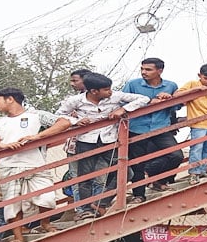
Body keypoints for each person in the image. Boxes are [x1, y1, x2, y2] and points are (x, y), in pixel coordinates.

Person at [56, 74, 150, 212]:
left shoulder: (115, 96)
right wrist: (75, 121)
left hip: (109, 139)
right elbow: (59, 114)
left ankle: (101, 201)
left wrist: (123, 109)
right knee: (85, 177)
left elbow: (144, 99)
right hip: (86, 140)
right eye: (106, 90)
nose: (110, 92)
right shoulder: (75, 100)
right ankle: (86, 210)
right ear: (94, 91)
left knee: (126, 172)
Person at [0, 88, 72, 241]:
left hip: (35, 164)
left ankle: (45, 222)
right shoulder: (0, 122)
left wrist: (38, 136)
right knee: (12, 204)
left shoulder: (36, 115)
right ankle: (18, 237)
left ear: (10, 99)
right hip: (9, 165)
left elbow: (64, 122)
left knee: (47, 196)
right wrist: (3, 146)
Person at [122, 58, 182, 198]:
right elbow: (122, 102)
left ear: (159, 71)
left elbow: (177, 106)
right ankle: (139, 195)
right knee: (137, 164)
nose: (144, 72)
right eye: (142, 69)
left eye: (148, 69)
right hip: (137, 128)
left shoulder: (170, 85)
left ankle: (158, 180)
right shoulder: (133, 84)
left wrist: (170, 99)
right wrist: (148, 102)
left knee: (176, 155)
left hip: (161, 127)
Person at [175, 63, 207, 185]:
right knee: (197, 148)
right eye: (205, 78)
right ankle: (194, 172)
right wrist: (195, 90)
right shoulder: (193, 84)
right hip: (198, 122)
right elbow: (176, 95)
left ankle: (202, 169)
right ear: (199, 76)